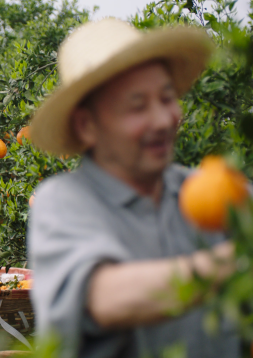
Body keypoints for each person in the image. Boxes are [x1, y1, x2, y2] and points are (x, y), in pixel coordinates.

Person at [28, 19, 238, 357]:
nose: (163, 119)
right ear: (87, 125)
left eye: (167, 98)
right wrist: (236, 261)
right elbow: (105, 297)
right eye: (137, 105)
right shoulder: (63, 202)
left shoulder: (206, 189)